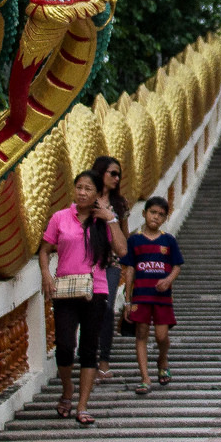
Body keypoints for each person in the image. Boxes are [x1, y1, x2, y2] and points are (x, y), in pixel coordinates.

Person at [39, 169, 127, 426]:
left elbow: (122, 250)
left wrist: (111, 219)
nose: (82, 192)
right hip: (65, 288)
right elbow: (44, 250)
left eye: (88, 189)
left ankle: (82, 405)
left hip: (95, 289)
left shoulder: (104, 222)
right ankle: (67, 388)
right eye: (79, 187)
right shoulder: (60, 218)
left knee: (89, 348)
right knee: (65, 346)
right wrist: (46, 274)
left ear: (98, 194)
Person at [122, 196, 184, 394]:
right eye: (152, 212)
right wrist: (127, 300)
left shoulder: (168, 240)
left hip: (162, 297)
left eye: (160, 214)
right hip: (141, 295)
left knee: (161, 336)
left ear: (165, 218)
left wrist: (168, 280)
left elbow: (176, 266)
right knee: (141, 334)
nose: (155, 217)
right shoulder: (135, 240)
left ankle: (162, 359)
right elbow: (130, 269)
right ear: (144, 213)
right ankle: (145, 377)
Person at [89, 156, 131, 377]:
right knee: (88, 310)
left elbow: (125, 236)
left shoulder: (120, 204)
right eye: (112, 173)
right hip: (86, 262)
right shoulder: (86, 199)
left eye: (119, 175)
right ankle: (89, 357)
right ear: (101, 172)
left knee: (106, 308)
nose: (116, 178)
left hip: (111, 264)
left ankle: (103, 360)